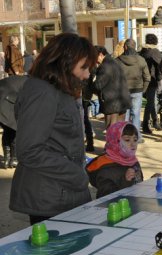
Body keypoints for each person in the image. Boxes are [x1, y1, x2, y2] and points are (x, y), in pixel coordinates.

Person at [10, 33, 97, 226]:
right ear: (63, 63)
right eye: (83, 67)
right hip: (50, 197)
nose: (87, 75)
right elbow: (29, 150)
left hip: (60, 192)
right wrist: (76, 175)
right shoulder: (43, 92)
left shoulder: (58, 89)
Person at [86, 121, 143, 198]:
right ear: (115, 141)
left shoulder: (132, 161)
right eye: (127, 140)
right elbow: (106, 197)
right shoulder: (106, 167)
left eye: (135, 140)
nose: (133, 144)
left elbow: (138, 184)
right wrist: (125, 181)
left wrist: (152, 182)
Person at [116, 39, 150, 137]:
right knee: (136, 114)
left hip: (123, 91)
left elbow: (114, 77)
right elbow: (147, 77)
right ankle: (137, 137)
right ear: (134, 47)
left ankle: (125, 136)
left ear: (125, 47)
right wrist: (143, 90)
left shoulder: (117, 60)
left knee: (124, 115)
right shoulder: (141, 60)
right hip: (137, 90)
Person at [93, 46, 131, 129]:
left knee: (112, 130)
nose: (94, 60)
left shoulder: (105, 66)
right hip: (122, 100)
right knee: (120, 129)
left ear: (100, 55)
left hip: (112, 103)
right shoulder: (115, 61)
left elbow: (98, 85)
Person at [0, 75, 27, 169]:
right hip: (7, 102)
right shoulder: (31, 83)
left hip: (2, 99)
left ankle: (7, 159)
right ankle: (14, 159)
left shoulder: (21, 79)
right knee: (15, 130)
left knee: (8, 130)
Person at [139, 33, 162, 134]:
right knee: (151, 103)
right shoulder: (155, 52)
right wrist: (160, 77)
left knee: (152, 102)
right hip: (151, 80)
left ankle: (154, 122)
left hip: (141, 80)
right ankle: (146, 124)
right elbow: (160, 65)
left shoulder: (142, 51)